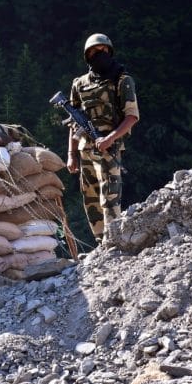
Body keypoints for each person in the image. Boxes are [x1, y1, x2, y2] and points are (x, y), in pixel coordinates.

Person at [66, 33, 139, 243]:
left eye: (103, 50)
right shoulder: (79, 84)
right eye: (94, 52)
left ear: (110, 51)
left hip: (109, 148)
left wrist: (110, 138)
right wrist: (71, 154)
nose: (99, 54)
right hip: (85, 148)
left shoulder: (122, 80)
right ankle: (100, 242)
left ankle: (113, 241)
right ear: (87, 56)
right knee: (90, 198)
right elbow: (73, 121)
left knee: (109, 197)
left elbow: (132, 116)